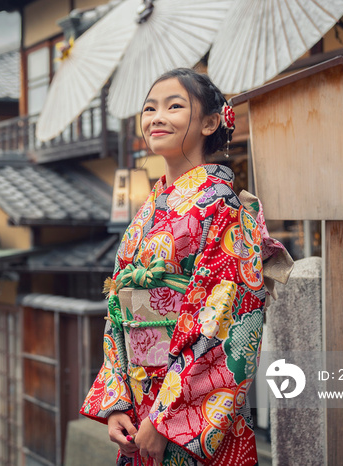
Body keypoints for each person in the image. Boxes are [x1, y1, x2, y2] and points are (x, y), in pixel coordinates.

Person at [80, 68, 293, 465]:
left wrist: (167, 420)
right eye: (149, 108)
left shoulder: (224, 207)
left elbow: (226, 318)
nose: (155, 117)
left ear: (211, 122)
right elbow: (119, 308)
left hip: (189, 413)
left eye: (174, 106)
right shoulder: (147, 209)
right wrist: (118, 403)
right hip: (140, 404)